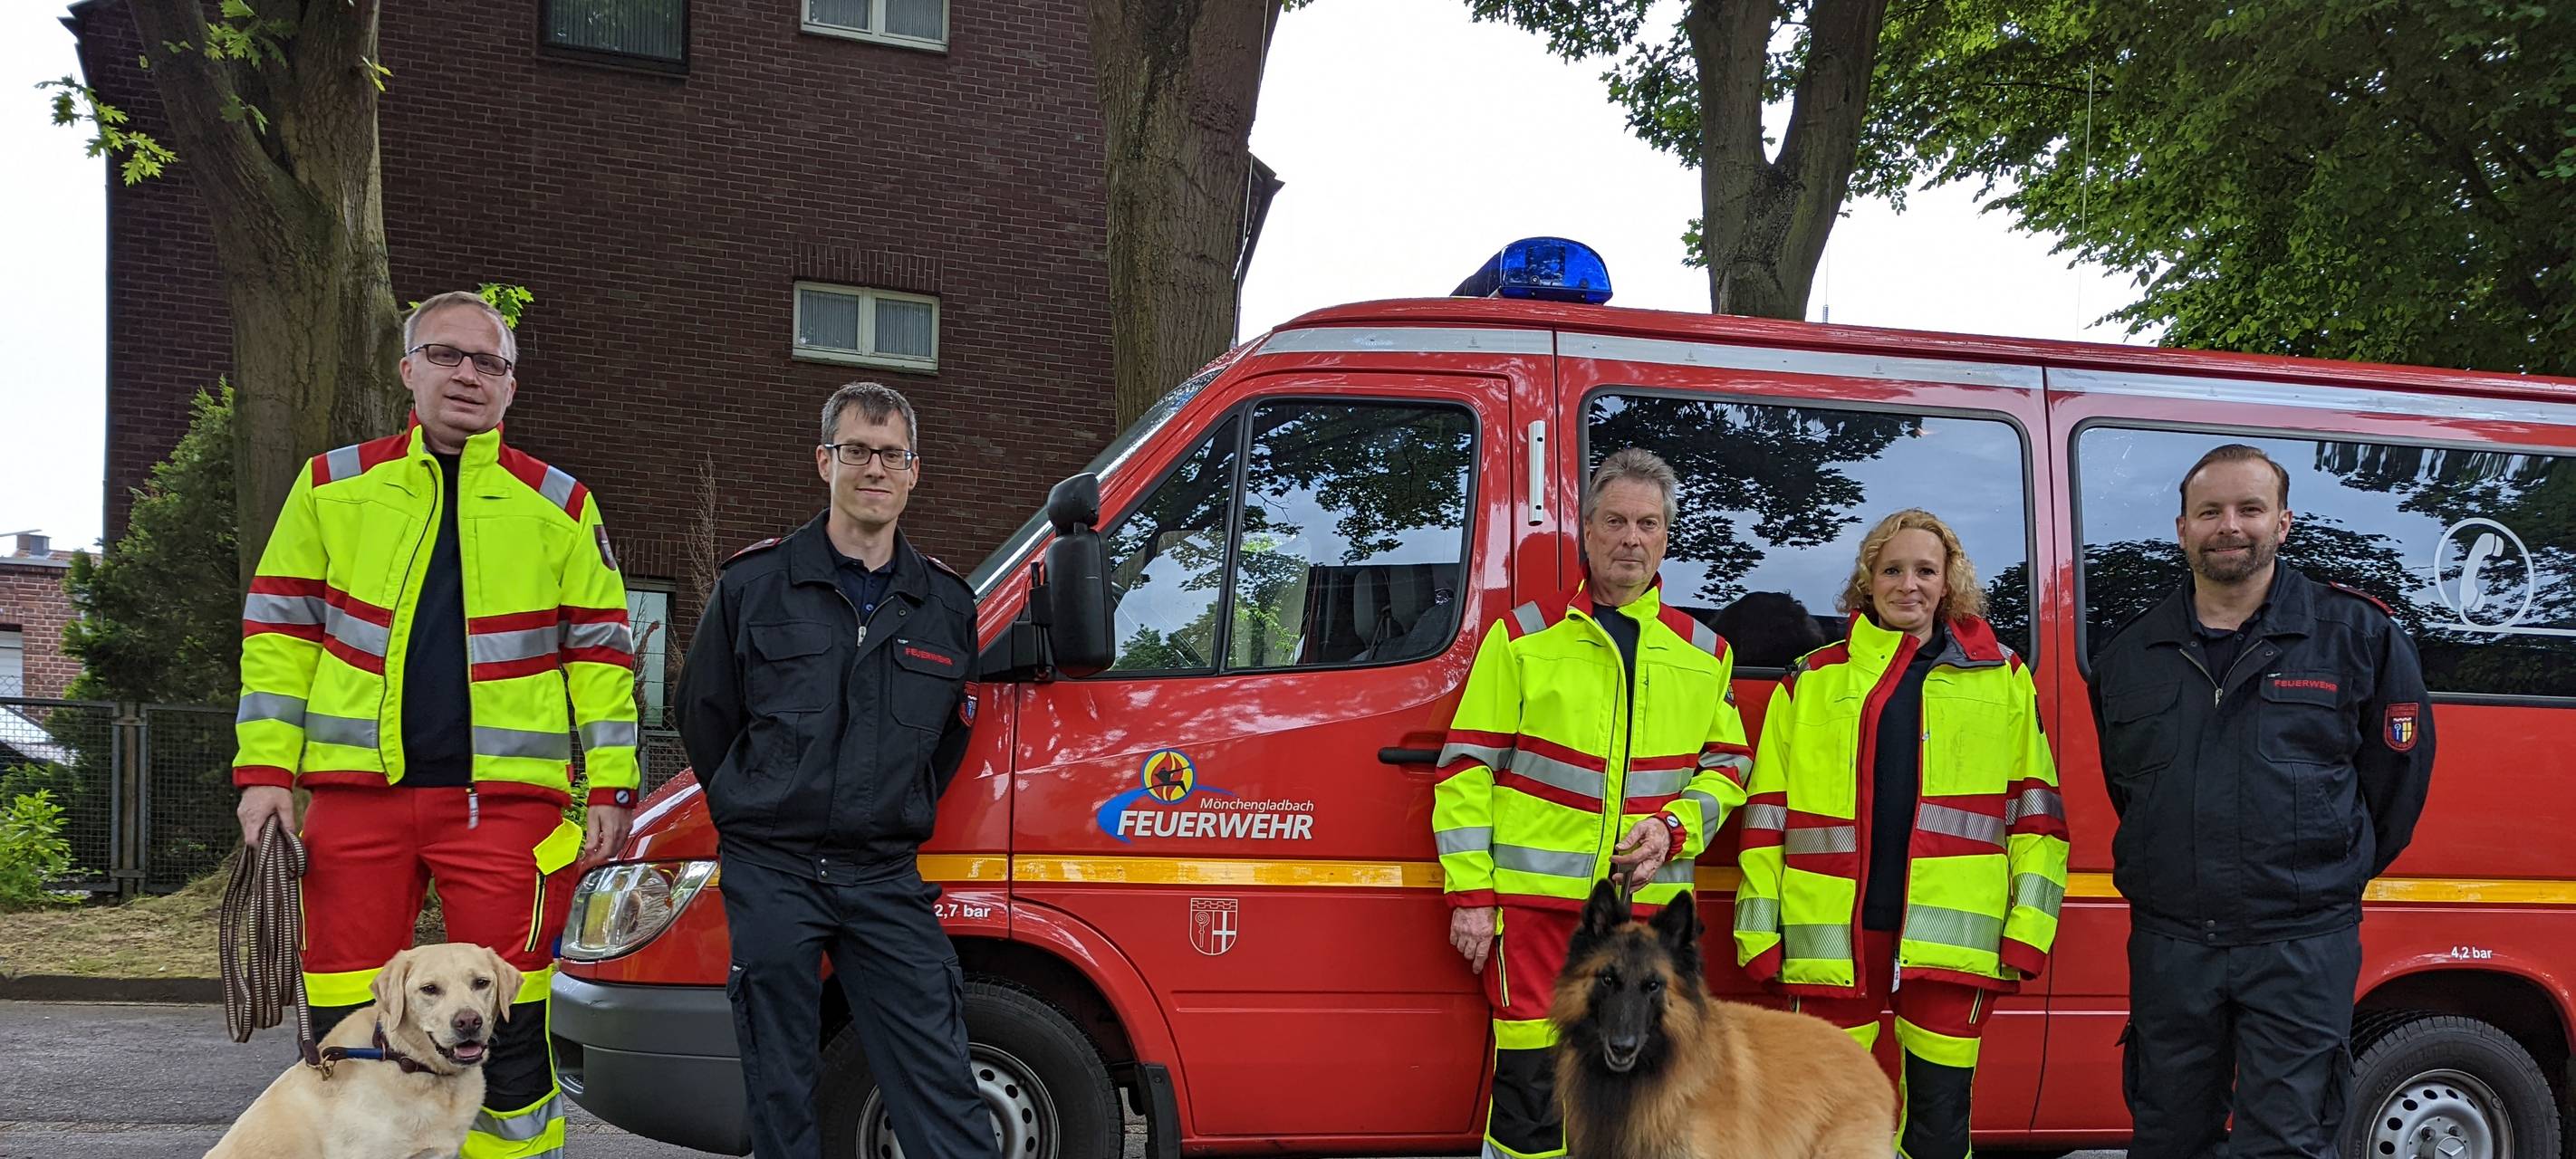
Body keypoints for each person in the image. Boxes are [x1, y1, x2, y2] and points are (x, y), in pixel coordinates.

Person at [232, 290, 640, 1159]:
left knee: (511, 1024)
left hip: (506, 808)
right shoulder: (331, 485)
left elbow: (603, 656)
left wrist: (611, 782)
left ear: (511, 385)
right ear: (407, 368)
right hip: (355, 802)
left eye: (488, 362)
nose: (467, 374)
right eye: (447, 355)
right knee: (349, 1026)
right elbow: (278, 636)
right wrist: (265, 773)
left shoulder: (561, 504)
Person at [675, 381, 993, 1159]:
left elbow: (946, 741)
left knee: (939, 1075)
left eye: (891, 455)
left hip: (883, 872)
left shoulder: (946, 606)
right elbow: (705, 717)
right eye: (857, 451)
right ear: (825, 461)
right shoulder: (753, 587)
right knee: (780, 1089)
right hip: (774, 867)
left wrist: (892, 803)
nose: (874, 469)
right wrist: (757, 807)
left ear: (914, 471)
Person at [2091, 445, 2436, 1159]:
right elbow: (2131, 791)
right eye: (2210, 511)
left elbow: (2394, 786)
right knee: (2167, 1139)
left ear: (2283, 523)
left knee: (2285, 1142)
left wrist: (2327, 876)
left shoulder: (2357, 637)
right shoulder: (2131, 655)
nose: (2230, 526)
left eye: (2249, 509)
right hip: (2174, 945)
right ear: (2181, 528)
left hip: (2301, 944)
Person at [1432, 447, 1752, 1159]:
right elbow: (1464, 769)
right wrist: (1471, 897)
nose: (1629, 539)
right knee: (1530, 1090)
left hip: (1644, 925)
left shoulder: (1706, 653)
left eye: (1646, 523)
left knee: (1646, 1095)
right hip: (1532, 906)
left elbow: (1730, 768)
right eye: (1614, 521)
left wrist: (1674, 828)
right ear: (1587, 529)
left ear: (1666, 536)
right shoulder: (1523, 637)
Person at [1733, 508, 2067, 1159]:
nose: (1907, 585)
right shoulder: (1813, 678)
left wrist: (2029, 930)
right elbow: (1766, 817)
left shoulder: (2002, 677)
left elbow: (2038, 816)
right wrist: (1756, 930)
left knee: (1939, 1128)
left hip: (1956, 940)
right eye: (1891, 569)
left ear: (1949, 582)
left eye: (1925, 570)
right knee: (1816, 1121)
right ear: (1868, 580)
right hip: (1829, 936)